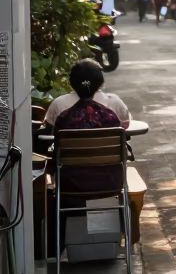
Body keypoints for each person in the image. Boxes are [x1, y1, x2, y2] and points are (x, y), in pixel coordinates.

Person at [46, 59, 125, 193]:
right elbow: (126, 127)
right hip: (110, 180)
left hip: (70, 181)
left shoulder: (60, 108)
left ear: (72, 83)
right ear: (100, 82)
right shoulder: (111, 110)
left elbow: (49, 133)